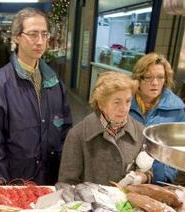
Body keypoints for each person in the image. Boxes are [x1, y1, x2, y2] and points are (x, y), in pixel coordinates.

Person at [0, 8, 72, 185]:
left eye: (44, 34)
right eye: (33, 34)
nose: (40, 41)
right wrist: (3, 190)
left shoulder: (54, 82)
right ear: (16, 37)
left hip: (51, 181)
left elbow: (66, 130)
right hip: (17, 183)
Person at [58, 72, 152, 186]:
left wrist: (141, 177)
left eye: (128, 101)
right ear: (101, 104)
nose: (124, 109)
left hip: (126, 202)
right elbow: (67, 183)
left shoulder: (140, 132)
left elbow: (147, 171)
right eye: (117, 102)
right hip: (89, 203)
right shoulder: (77, 135)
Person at [130, 53, 185, 183]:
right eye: (148, 77)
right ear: (138, 78)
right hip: (125, 173)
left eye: (160, 77)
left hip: (158, 179)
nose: (155, 83)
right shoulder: (125, 102)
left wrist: (164, 176)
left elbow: (178, 148)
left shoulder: (176, 108)